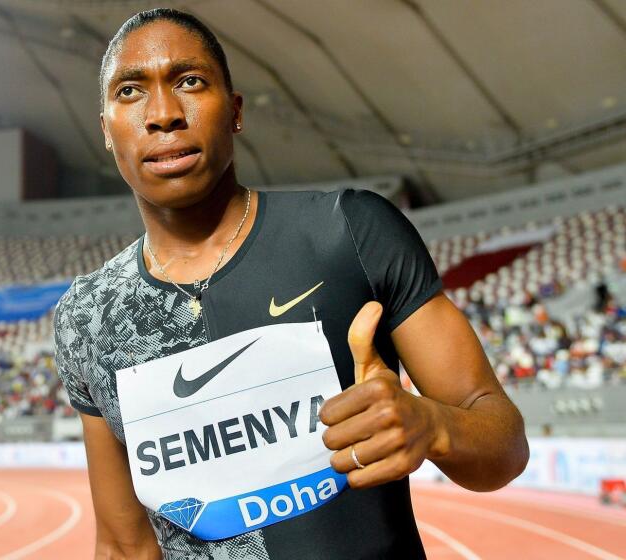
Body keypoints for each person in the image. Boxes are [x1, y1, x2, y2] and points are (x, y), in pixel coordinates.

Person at [54, 8, 529, 559]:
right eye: (131, 91)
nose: (163, 114)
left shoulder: (349, 230)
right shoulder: (87, 317)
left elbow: (504, 445)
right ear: (106, 132)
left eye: (189, 81)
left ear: (234, 112)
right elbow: (122, 546)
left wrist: (433, 424)